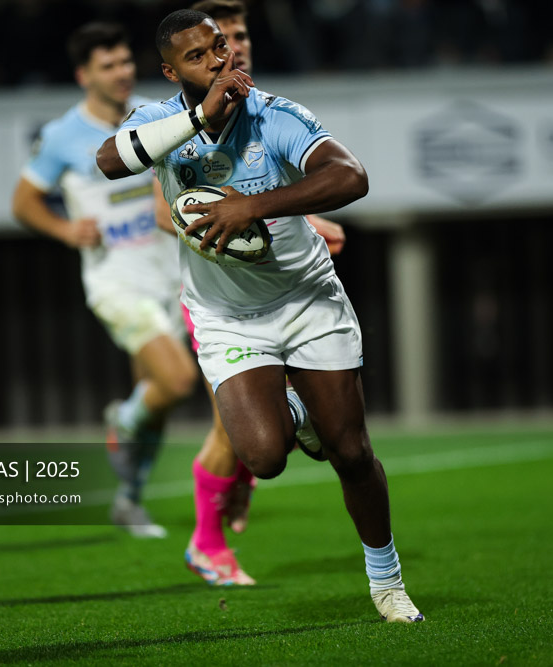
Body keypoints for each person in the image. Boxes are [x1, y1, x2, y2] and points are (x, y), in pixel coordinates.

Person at [97, 9, 424, 622]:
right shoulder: (157, 122)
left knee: (350, 452)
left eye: (222, 45)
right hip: (225, 314)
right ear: (172, 72)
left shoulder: (276, 114)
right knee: (264, 458)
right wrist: (198, 118)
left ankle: (387, 582)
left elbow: (352, 176)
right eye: (200, 56)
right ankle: (296, 408)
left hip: (306, 299)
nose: (220, 58)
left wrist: (256, 206)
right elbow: (111, 162)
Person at [147, 0, 347, 588]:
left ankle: (235, 498)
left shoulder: (264, 113)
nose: (231, 48)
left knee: (253, 432)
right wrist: (228, 235)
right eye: (217, 40)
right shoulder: (179, 122)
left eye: (236, 37)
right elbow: (168, 210)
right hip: (216, 299)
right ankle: (206, 544)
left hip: (275, 291)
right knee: (227, 428)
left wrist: (296, 223)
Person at [11, 22, 197, 538]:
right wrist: (66, 228)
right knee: (178, 381)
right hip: (117, 282)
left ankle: (129, 500)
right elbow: (22, 202)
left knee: (156, 401)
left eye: (124, 62)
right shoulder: (62, 136)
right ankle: (121, 421)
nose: (121, 73)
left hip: (169, 276)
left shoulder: (154, 116)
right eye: (108, 66)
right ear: (82, 75)